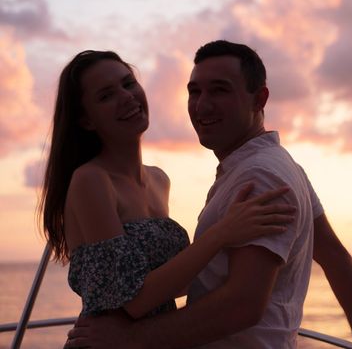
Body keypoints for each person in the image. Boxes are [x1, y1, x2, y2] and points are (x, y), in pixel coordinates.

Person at [66, 42, 352, 348]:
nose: (202, 104)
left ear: (259, 99)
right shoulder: (268, 167)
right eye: (194, 91)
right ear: (86, 118)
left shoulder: (258, 175)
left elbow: (242, 305)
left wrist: (130, 339)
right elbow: (333, 256)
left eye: (220, 90)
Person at [39, 50, 297, 324]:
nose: (126, 97)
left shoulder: (159, 180)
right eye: (106, 96)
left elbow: (176, 284)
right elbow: (133, 300)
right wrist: (222, 233)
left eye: (128, 84)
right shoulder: (91, 180)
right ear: (86, 120)